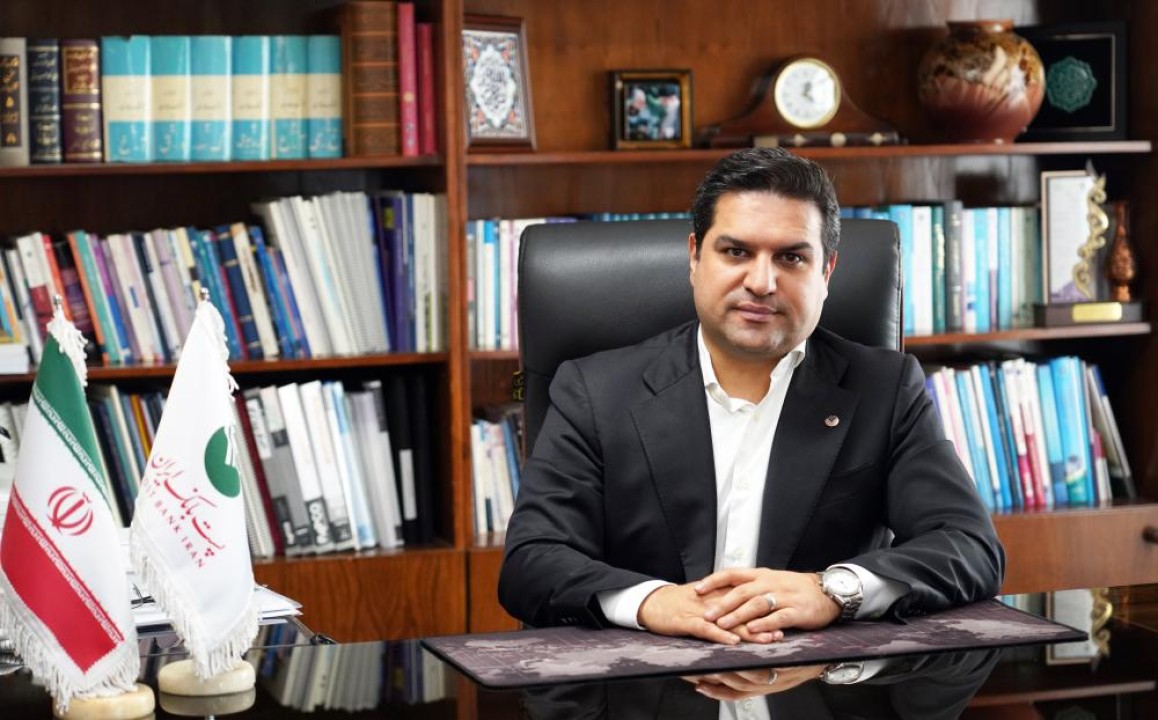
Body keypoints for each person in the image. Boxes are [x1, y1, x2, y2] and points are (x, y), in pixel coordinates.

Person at [499, 146, 1004, 645]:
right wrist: (653, 603)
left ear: (826, 273)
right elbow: (532, 560)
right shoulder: (595, 390)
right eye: (736, 252)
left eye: (791, 257)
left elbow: (970, 547)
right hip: (643, 677)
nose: (761, 283)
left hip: (816, 675)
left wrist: (834, 591)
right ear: (695, 257)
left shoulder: (885, 389)